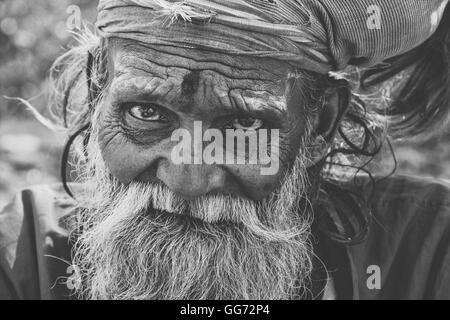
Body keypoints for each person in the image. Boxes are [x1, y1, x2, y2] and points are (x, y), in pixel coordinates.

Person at [1, 0, 450, 300]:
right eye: (146, 111)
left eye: (244, 124)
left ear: (321, 123)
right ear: (98, 89)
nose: (188, 178)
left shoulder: (424, 253)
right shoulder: (25, 255)